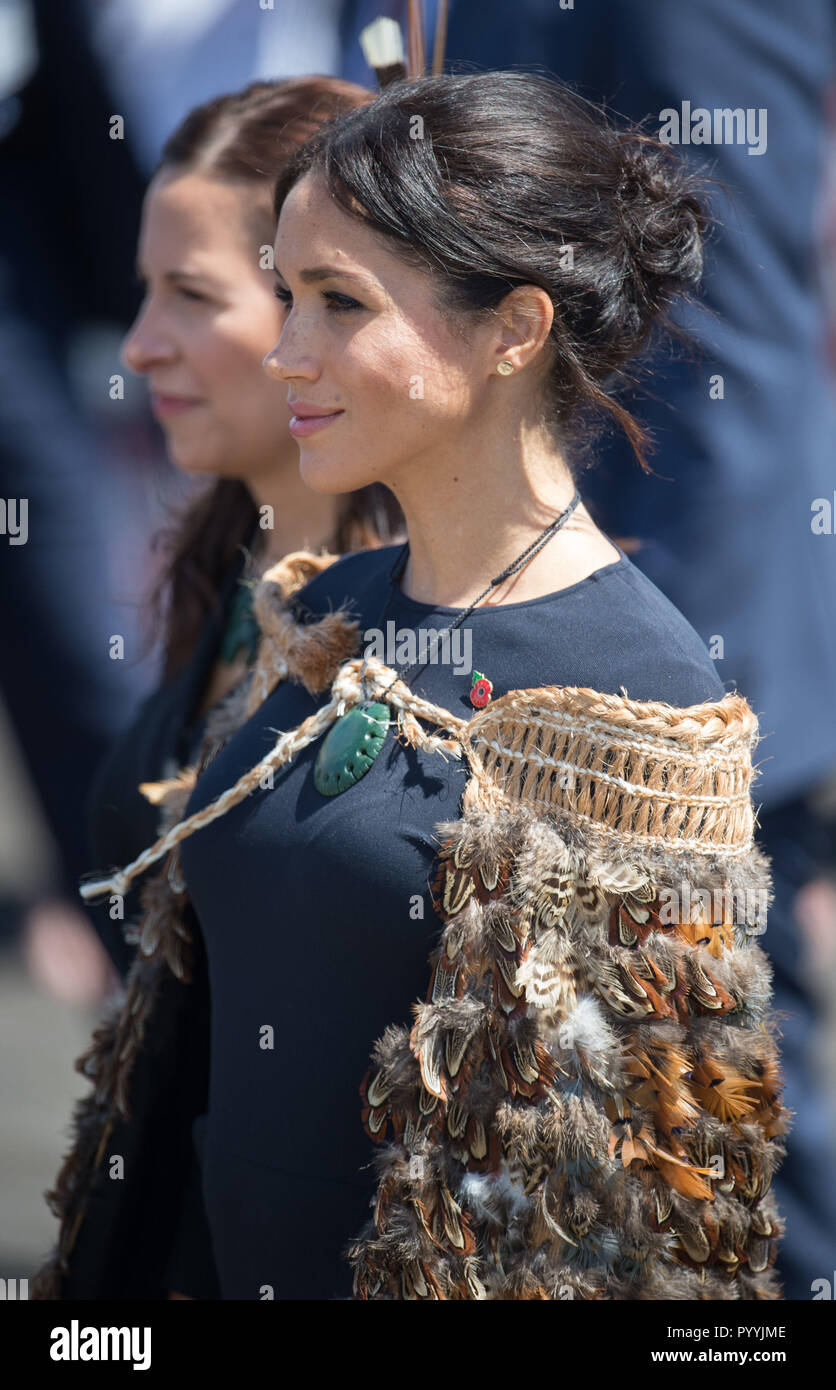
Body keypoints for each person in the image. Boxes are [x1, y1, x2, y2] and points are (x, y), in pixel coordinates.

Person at [33, 71, 787, 1302]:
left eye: (339, 303)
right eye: (285, 296)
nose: (285, 352)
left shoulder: (640, 704)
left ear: (513, 329)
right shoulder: (330, 609)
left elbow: (665, 1216)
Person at [87, 75, 405, 981]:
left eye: (191, 294)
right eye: (146, 291)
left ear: (324, 303)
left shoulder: (426, 615)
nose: (139, 346)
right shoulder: (227, 556)